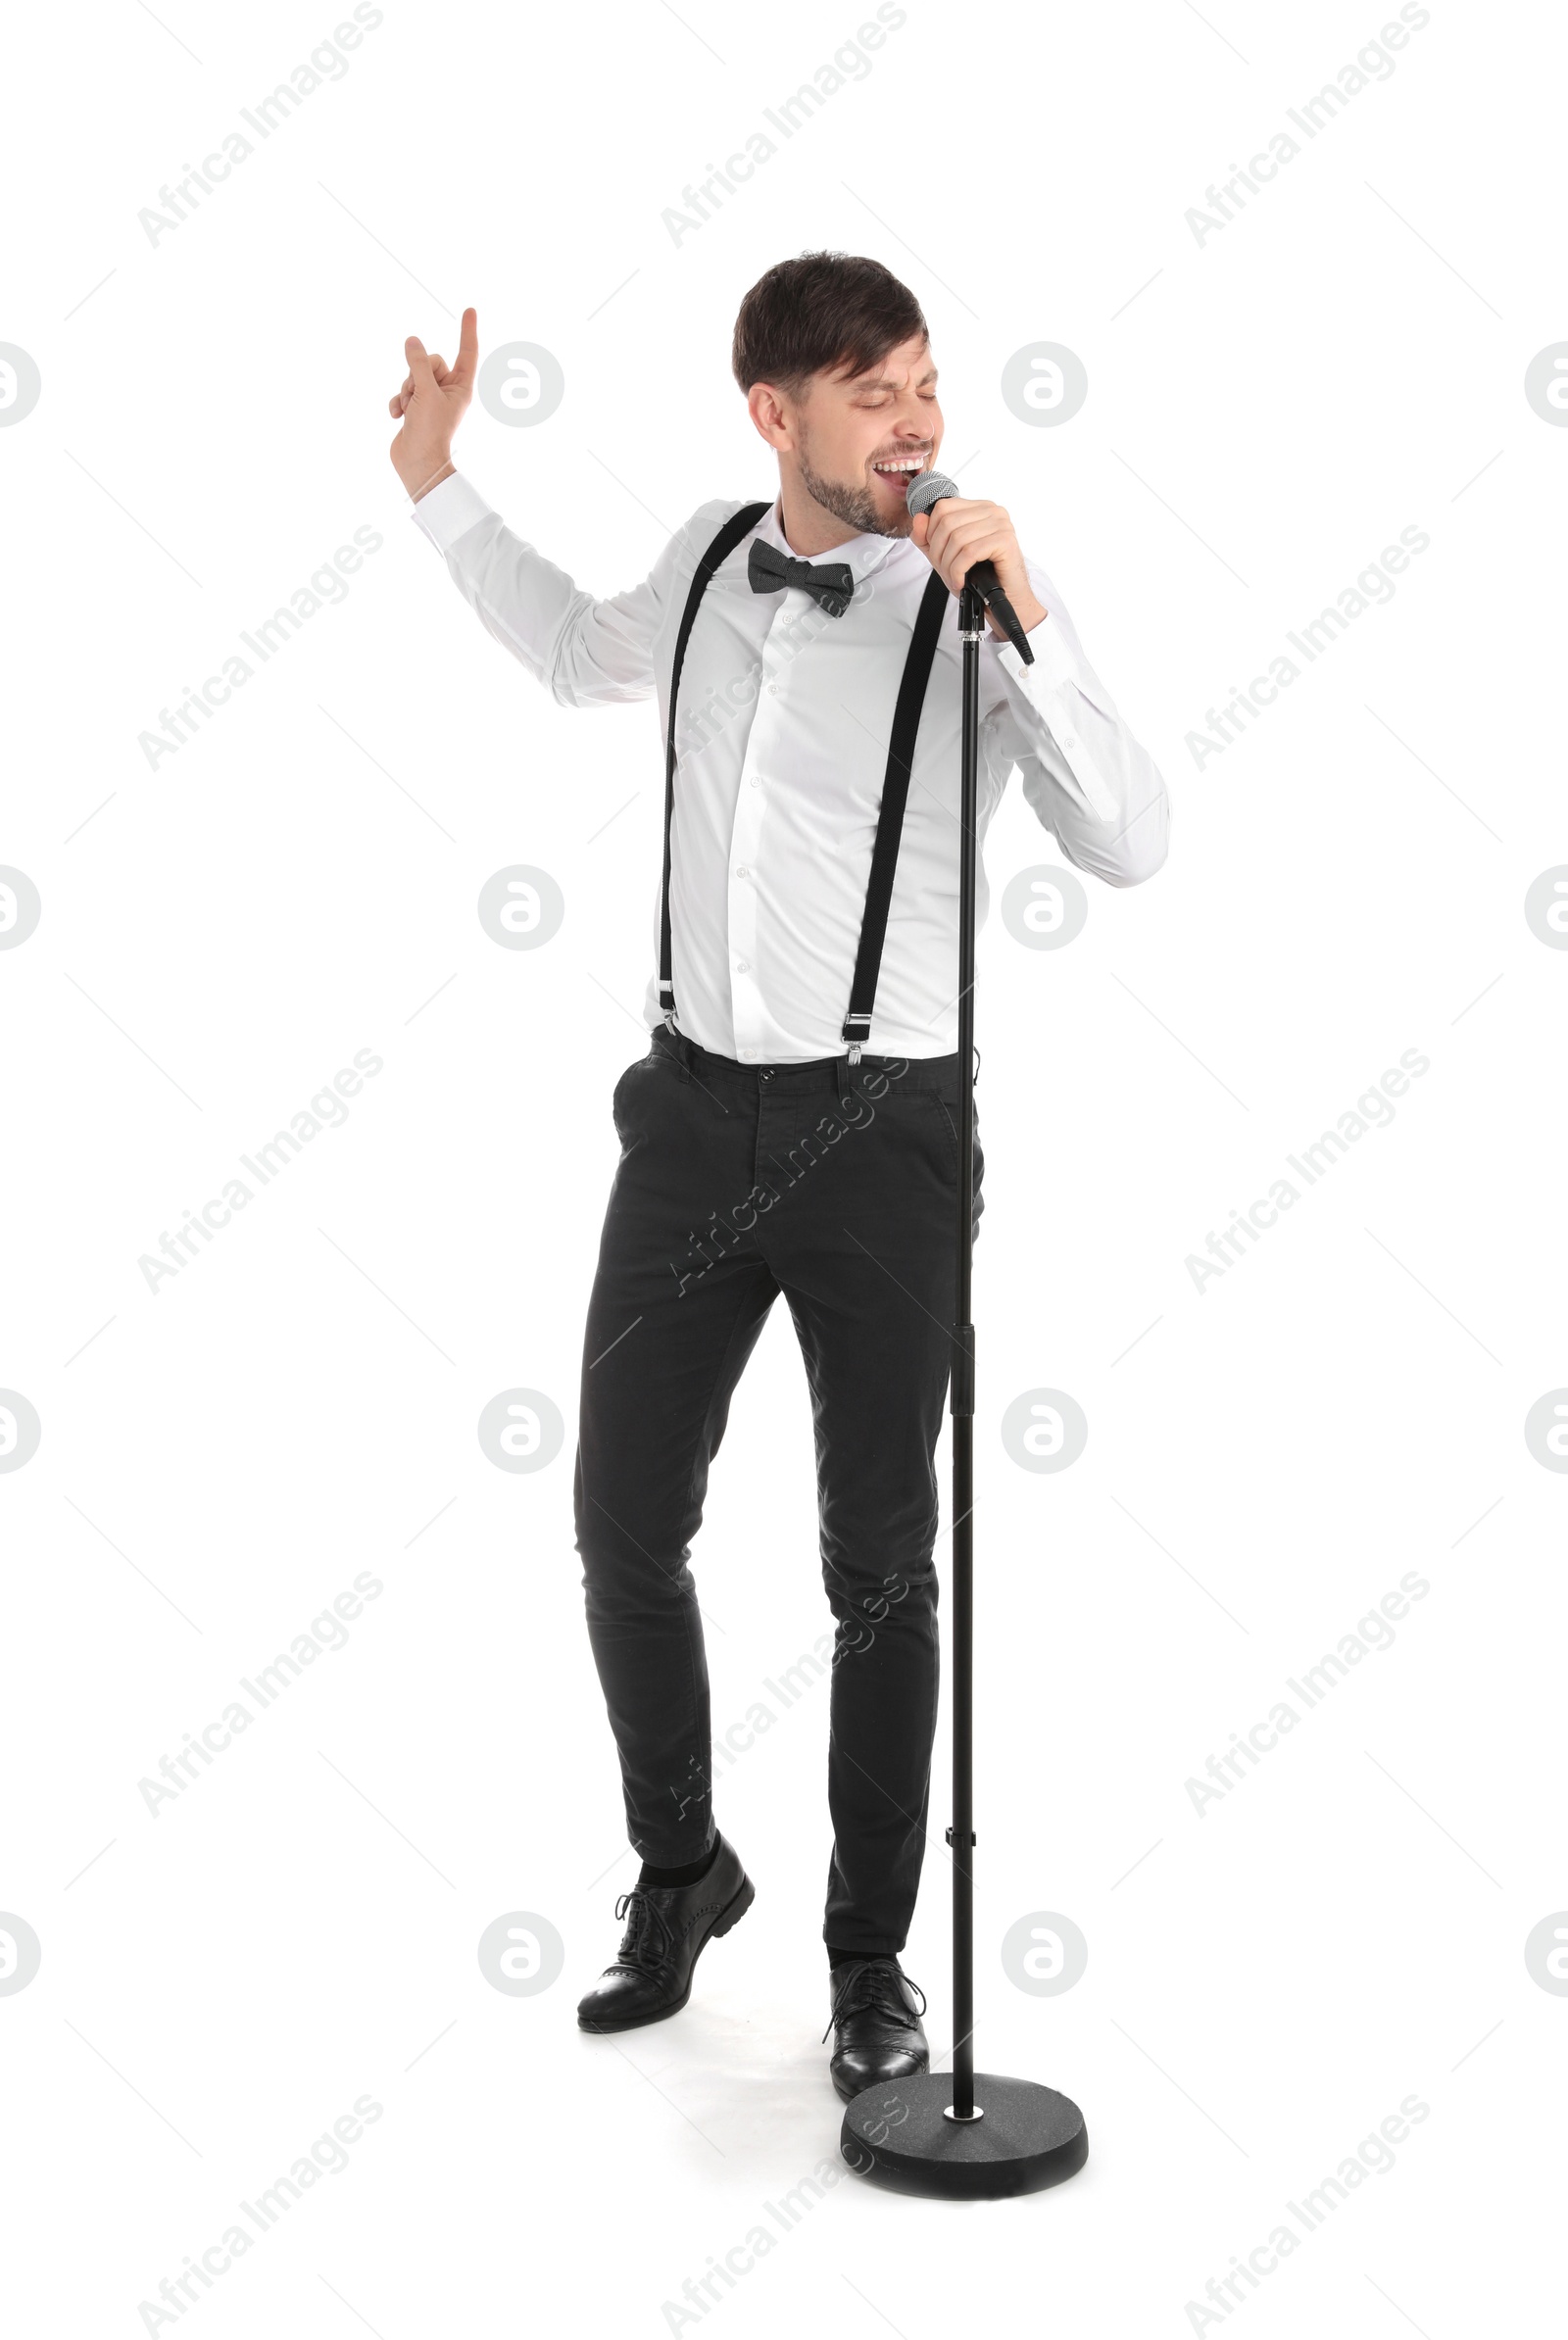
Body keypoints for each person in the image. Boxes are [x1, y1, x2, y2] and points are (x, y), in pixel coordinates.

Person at [387, 252, 1168, 2101]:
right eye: (875, 390)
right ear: (778, 416)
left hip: (886, 1135)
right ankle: (683, 1868)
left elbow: (1130, 839)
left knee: (879, 1570)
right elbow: (576, 644)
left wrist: (1027, 616)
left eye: (925, 384)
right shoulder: (717, 560)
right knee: (616, 1524)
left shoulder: (973, 610)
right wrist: (434, 481)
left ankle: (871, 1962)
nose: (916, 420)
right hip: (686, 1117)